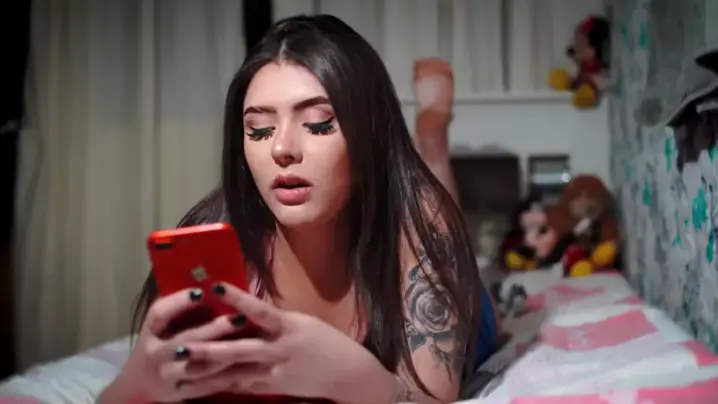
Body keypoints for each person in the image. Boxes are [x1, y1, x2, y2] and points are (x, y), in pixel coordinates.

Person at [99, 14, 497, 404]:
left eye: (319, 124)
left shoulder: (415, 222)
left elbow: (431, 398)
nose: (281, 148)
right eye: (258, 130)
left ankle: (432, 140)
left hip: (460, 304)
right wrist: (136, 384)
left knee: (438, 220)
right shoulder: (215, 242)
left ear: (370, 135)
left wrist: (354, 377)